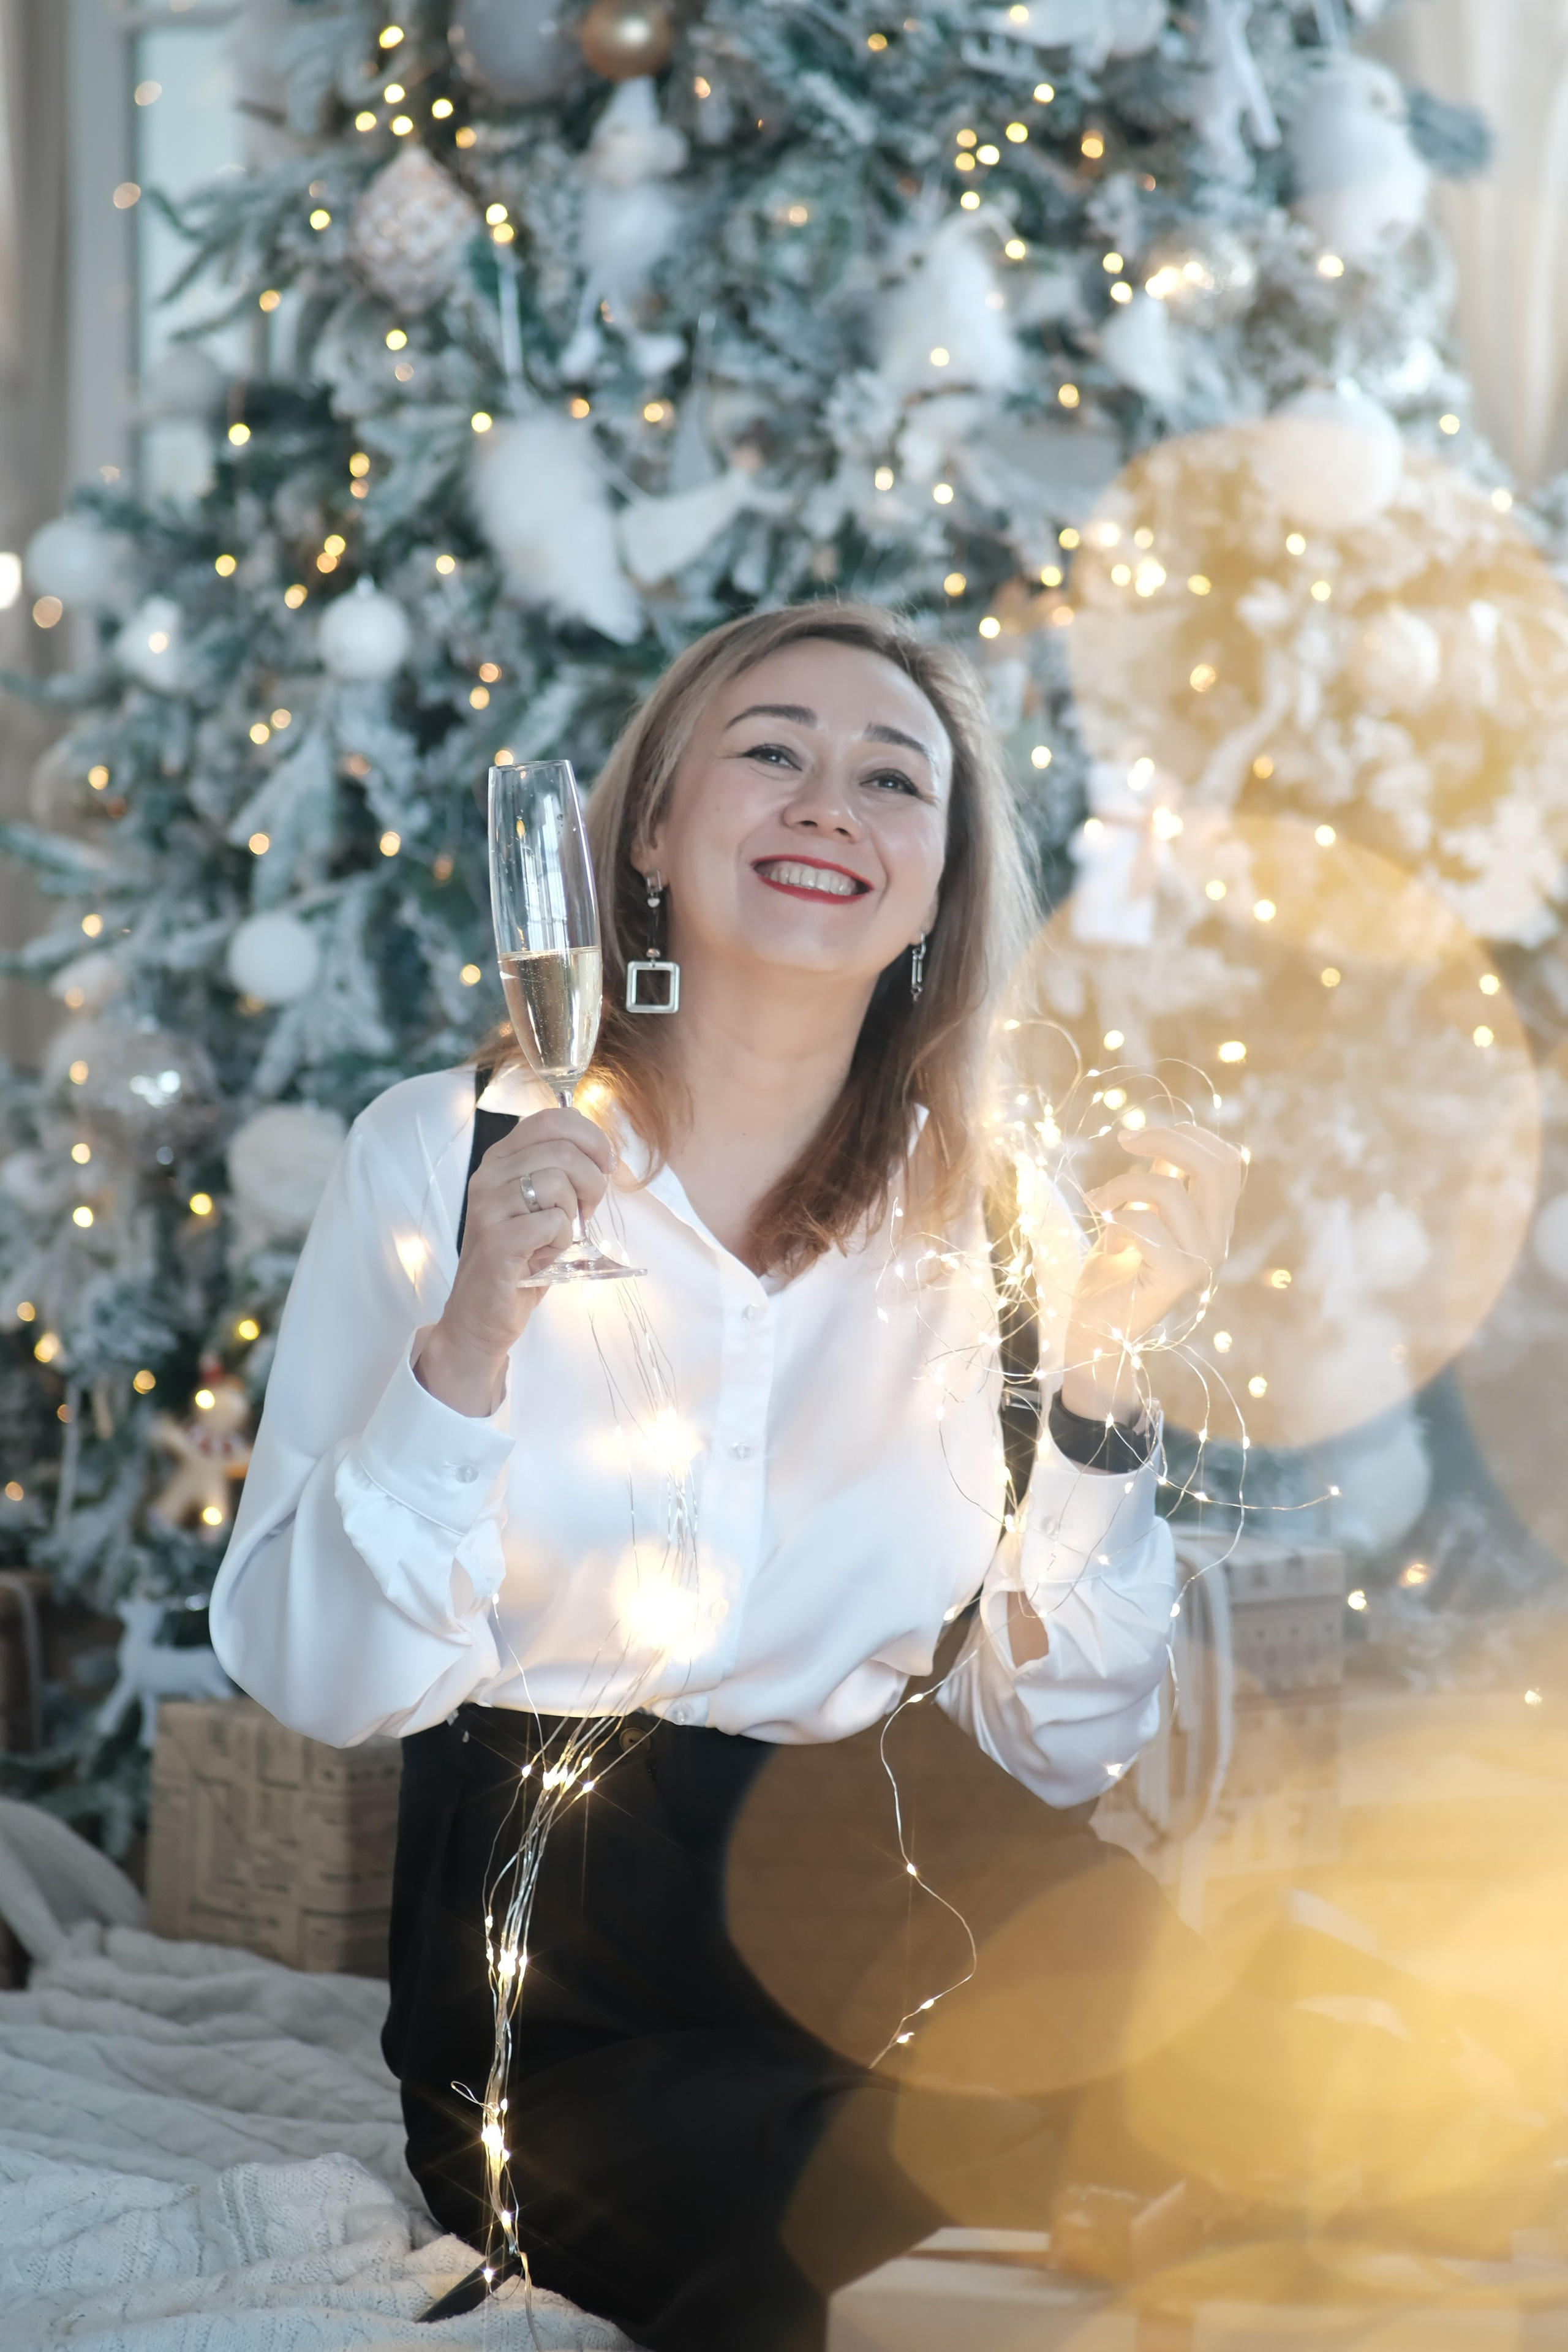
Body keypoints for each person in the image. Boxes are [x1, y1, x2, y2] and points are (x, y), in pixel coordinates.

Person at [209, 602, 1261, 2348]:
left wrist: (1100, 1377)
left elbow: (1061, 1741)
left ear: (939, 885)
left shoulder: (1003, 1218)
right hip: (567, 1938)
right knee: (791, 2242)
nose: (828, 803)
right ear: (649, 826)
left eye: (892, 779)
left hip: (917, 1879)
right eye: (771, 749)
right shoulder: (438, 1153)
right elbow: (317, 1680)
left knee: (1307, 2102)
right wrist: (470, 1339)